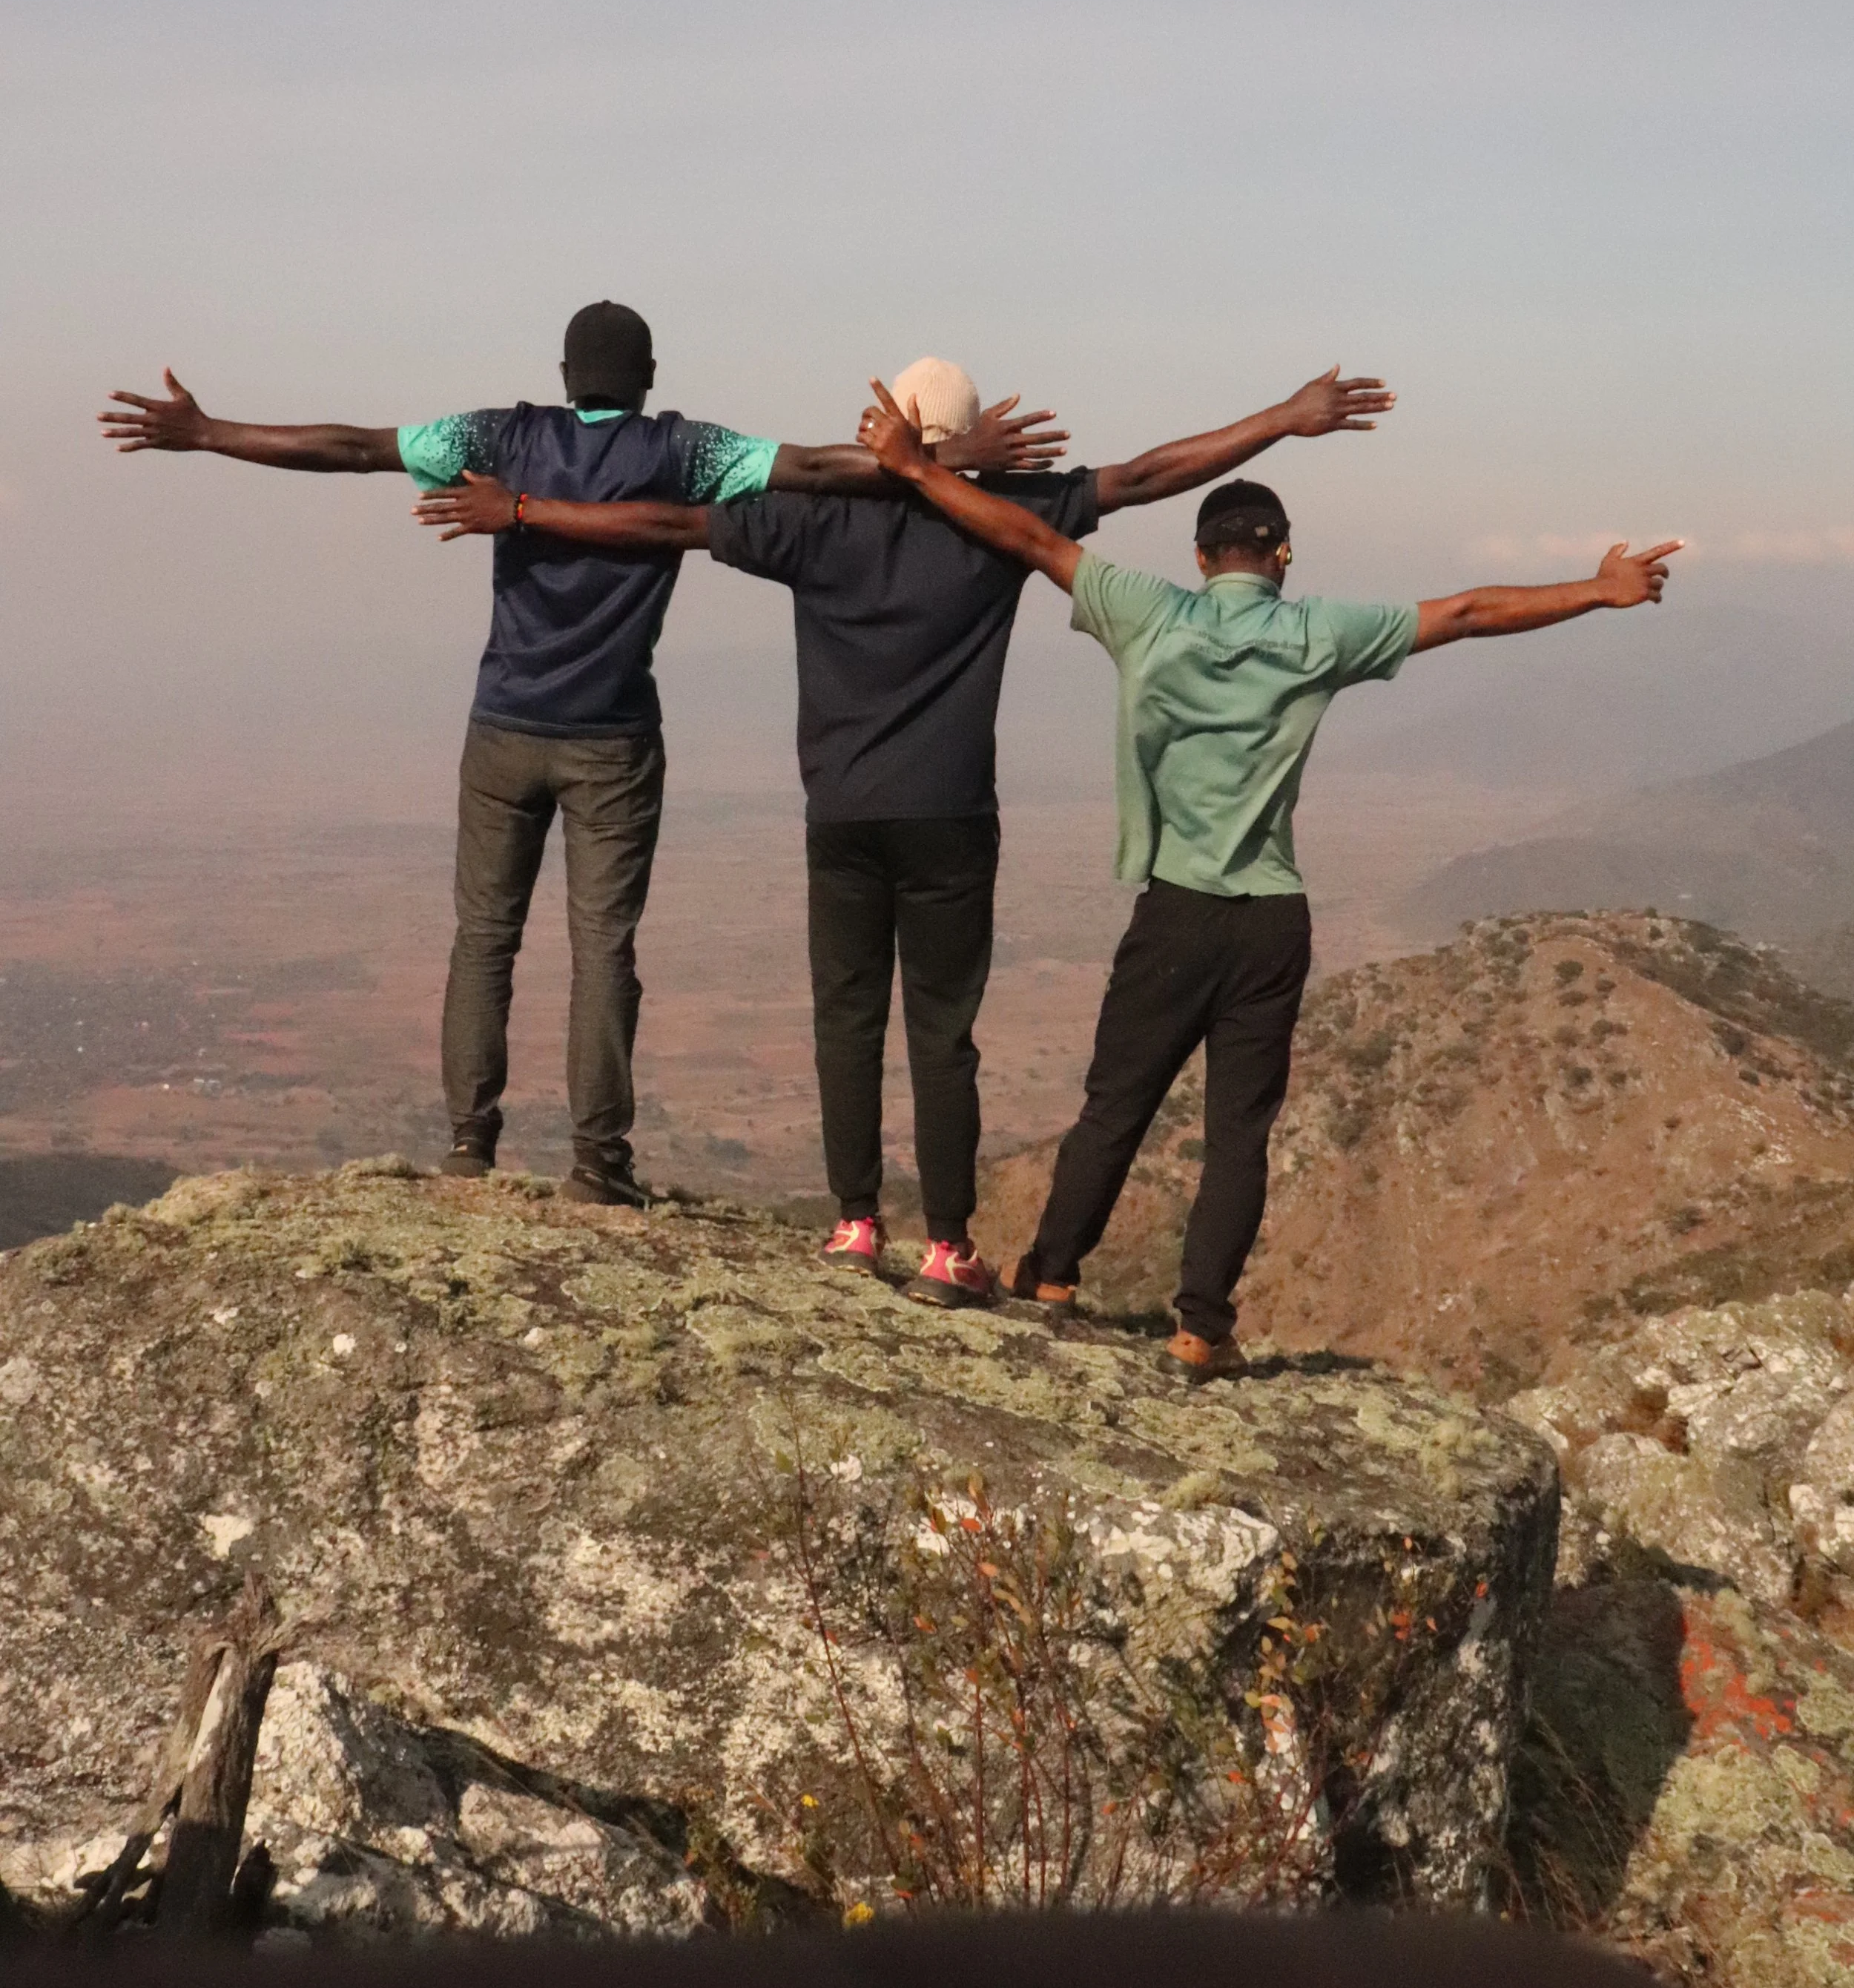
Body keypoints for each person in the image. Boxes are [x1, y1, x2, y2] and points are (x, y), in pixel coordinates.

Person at [414, 355, 1395, 1297]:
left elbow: (666, 522)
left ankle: (853, 1223)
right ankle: (949, 1246)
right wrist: (1282, 418)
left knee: (846, 1022)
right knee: (941, 1034)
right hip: (951, 816)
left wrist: (529, 511)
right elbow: (1144, 476)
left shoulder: (813, 516)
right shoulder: (1003, 511)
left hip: (839, 810)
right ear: (968, 444)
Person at [98, 304, 1057, 1205]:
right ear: (647, 377)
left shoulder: (496, 439)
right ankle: (599, 1163)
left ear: (564, 377)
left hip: (503, 725)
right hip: (612, 739)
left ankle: (471, 1145)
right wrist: (946, 458)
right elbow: (819, 467)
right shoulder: (684, 451)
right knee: (603, 947)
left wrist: (209, 431)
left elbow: (352, 448)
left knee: (484, 935)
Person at [860, 375, 1680, 1373]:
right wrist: (1599, 588)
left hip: (1174, 911)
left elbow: (1024, 538)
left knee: (1115, 1105)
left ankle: (1051, 1276)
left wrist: (911, 468)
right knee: (1236, 1135)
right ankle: (1202, 1326)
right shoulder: (1316, 633)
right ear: (1282, 558)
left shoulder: (1147, 610)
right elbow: (1466, 610)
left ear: (1201, 557)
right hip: (1270, 921)